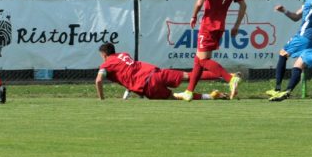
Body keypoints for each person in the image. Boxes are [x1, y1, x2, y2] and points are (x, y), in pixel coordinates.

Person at [174, 0, 247, 102]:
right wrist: (237, 26)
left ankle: (230, 79)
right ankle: (189, 92)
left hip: (208, 26)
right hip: (220, 27)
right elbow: (243, 5)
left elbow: (199, 3)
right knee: (198, 59)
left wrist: (193, 16)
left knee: (202, 61)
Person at [95, 43, 229, 101]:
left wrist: (102, 99)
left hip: (148, 86)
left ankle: (211, 96)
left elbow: (99, 80)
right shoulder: (124, 55)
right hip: (156, 72)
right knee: (189, 75)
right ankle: (227, 76)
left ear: (104, 54)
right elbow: (128, 74)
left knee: (175, 98)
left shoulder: (106, 64)